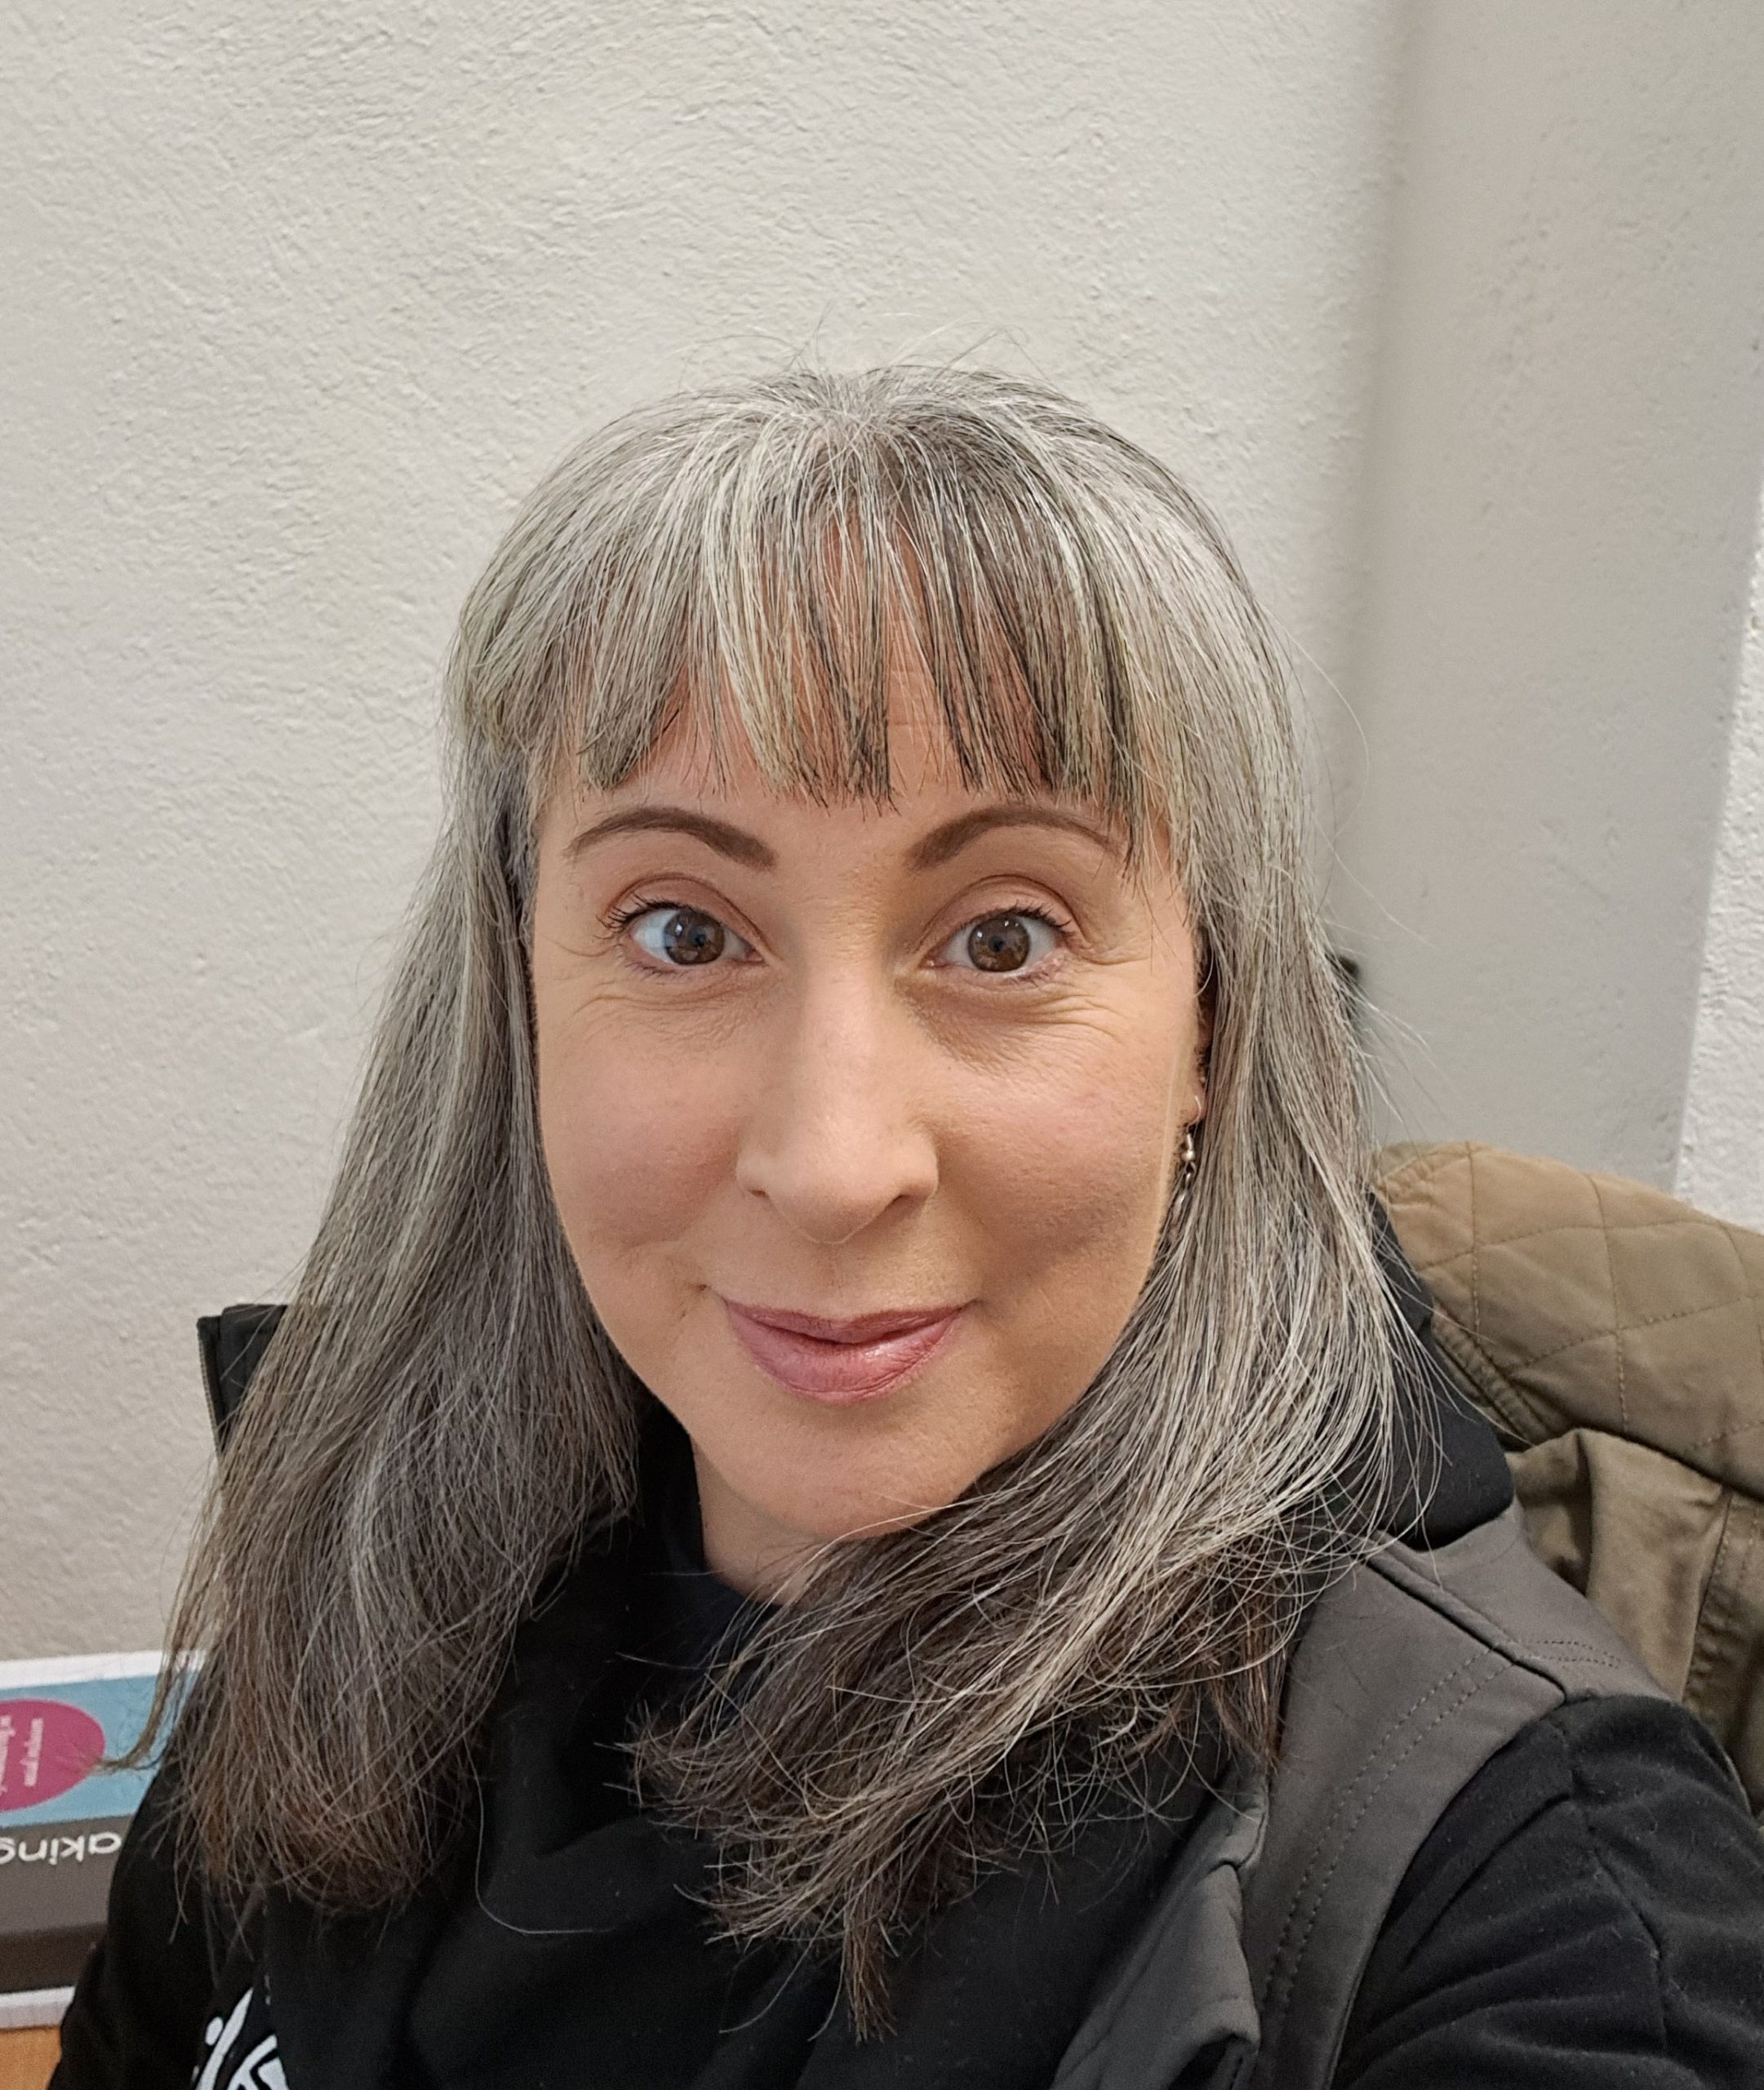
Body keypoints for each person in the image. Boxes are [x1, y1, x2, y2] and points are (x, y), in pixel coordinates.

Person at [55, 367, 1764, 2089]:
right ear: (516, 1001)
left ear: (1209, 1027)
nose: (831, 1158)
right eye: (680, 929)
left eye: (1004, 936)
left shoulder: (1526, 1885)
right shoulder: (361, 1577)